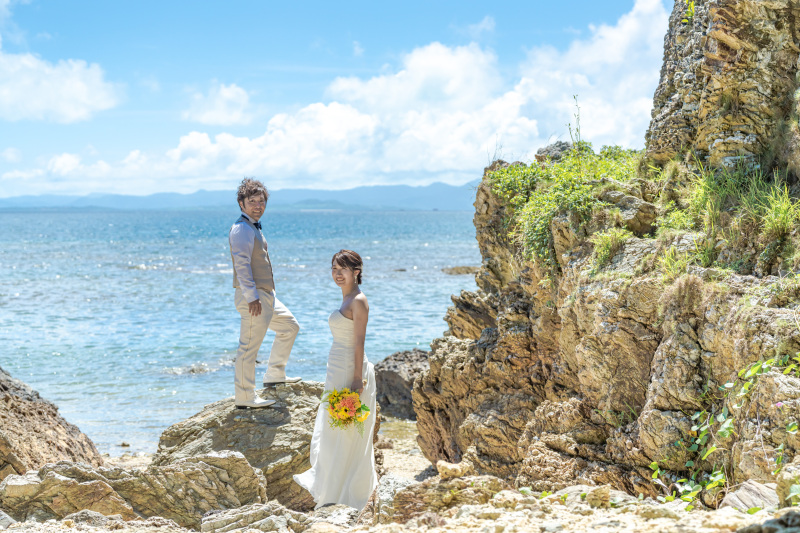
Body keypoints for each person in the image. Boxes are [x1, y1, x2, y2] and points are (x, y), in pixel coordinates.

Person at [293, 249, 377, 510]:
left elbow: (360, 342)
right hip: (336, 368)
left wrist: (357, 379)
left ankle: (346, 494)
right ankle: (331, 491)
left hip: (351, 371)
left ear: (357, 272)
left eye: (343, 269)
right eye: (334, 269)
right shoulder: (346, 298)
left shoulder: (359, 301)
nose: (337, 274)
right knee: (333, 429)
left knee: (348, 431)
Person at [229, 178, 301, 409]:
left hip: (266, 296)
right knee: (249, 348)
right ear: (241, 203)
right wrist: (252, 297)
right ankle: (245, 397)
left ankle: (274, 373)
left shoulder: (253, 227)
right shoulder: (241, 229)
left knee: (290, 327)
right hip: (254, 297)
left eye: (261, 201)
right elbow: (242, 266)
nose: (258, 206)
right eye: (252, 202)